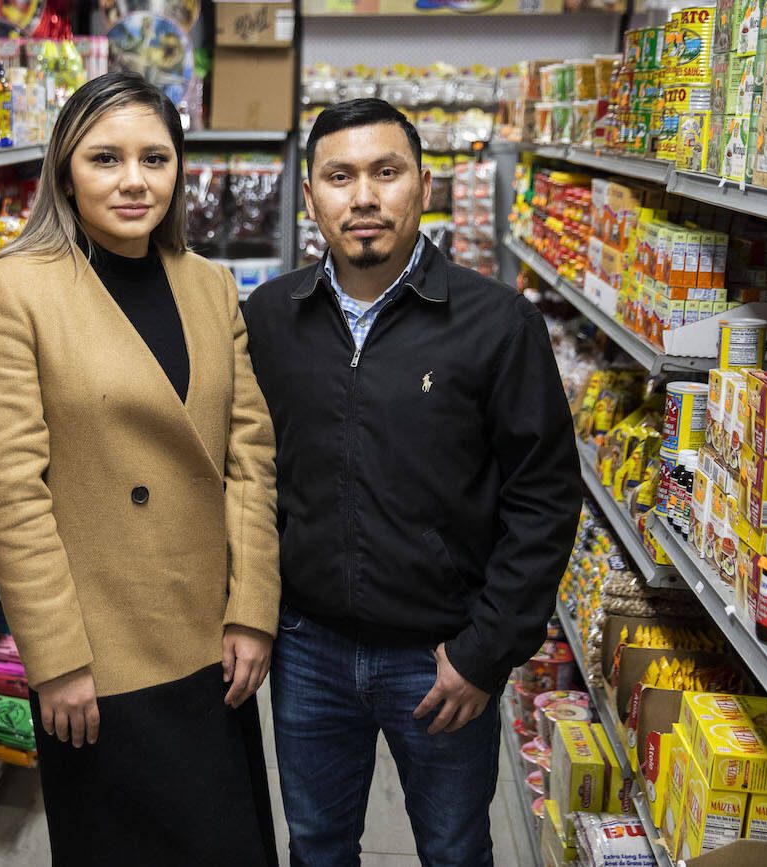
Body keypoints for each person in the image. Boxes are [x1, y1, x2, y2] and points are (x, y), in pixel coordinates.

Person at [243, 98, 583, 867]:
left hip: (442, 658)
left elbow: (545, 496)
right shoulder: (268, 319)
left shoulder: (497, 325)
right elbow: (248, 478)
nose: (362, 196)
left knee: (455, 849)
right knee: (320, 847)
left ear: (422, 187)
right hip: (307, 648)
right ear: (310, 198)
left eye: (385, 172)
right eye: (339, 176)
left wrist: (486, 649)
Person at [0, 72, 281, 866]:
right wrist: (57, 658)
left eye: (156, 159)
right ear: (65, 170)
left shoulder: (208, 285)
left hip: (210, 640)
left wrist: (253, 607)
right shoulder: (14, 291)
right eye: (106, 158)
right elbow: (11, 497)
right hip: (100, 655)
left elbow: (250, 455)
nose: (135, 181)